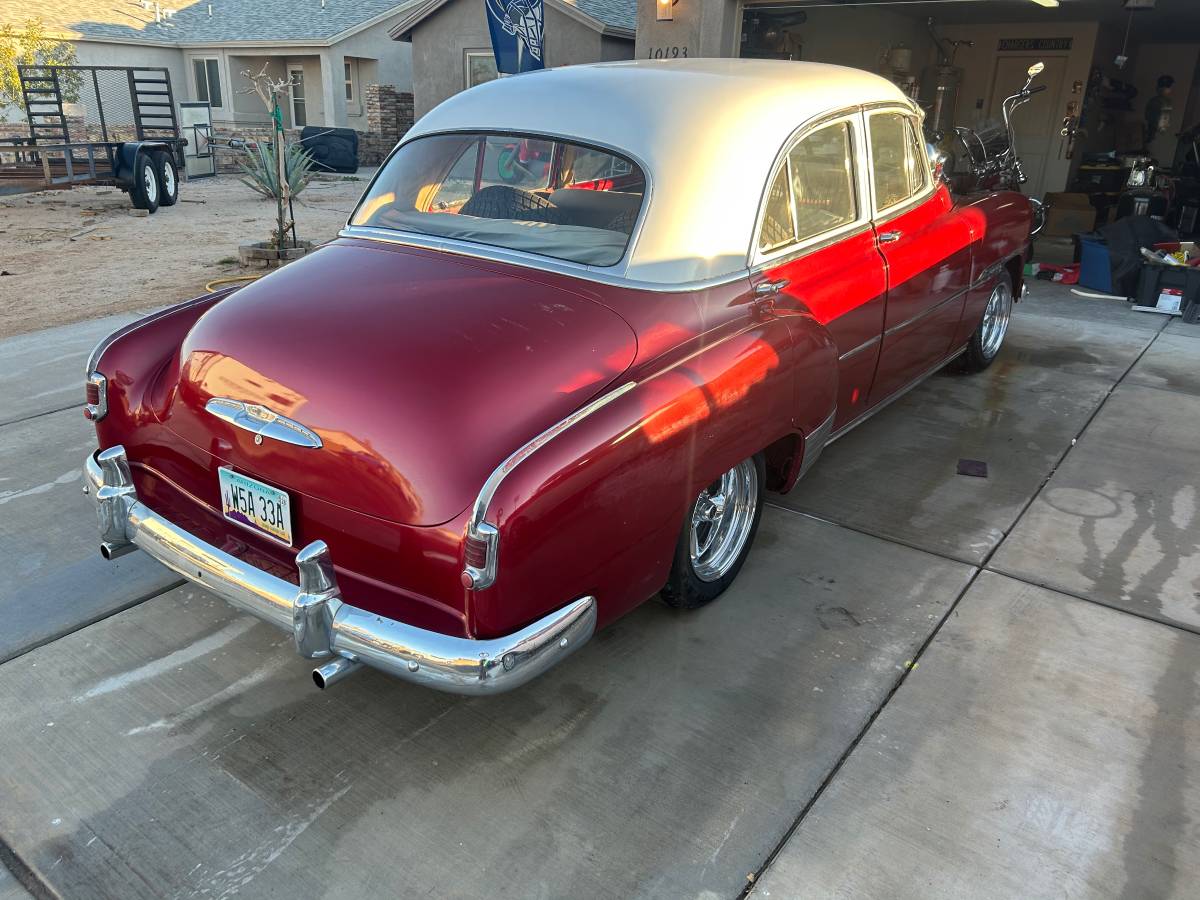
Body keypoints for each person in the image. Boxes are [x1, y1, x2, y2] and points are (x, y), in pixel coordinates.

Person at [1144, 74, 1174, 144]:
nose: (1171, 90)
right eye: (1170, 87)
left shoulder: (1155, 100)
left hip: (1154, 130)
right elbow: (1162, 121)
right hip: (1154, 130)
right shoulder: (1163, 101)